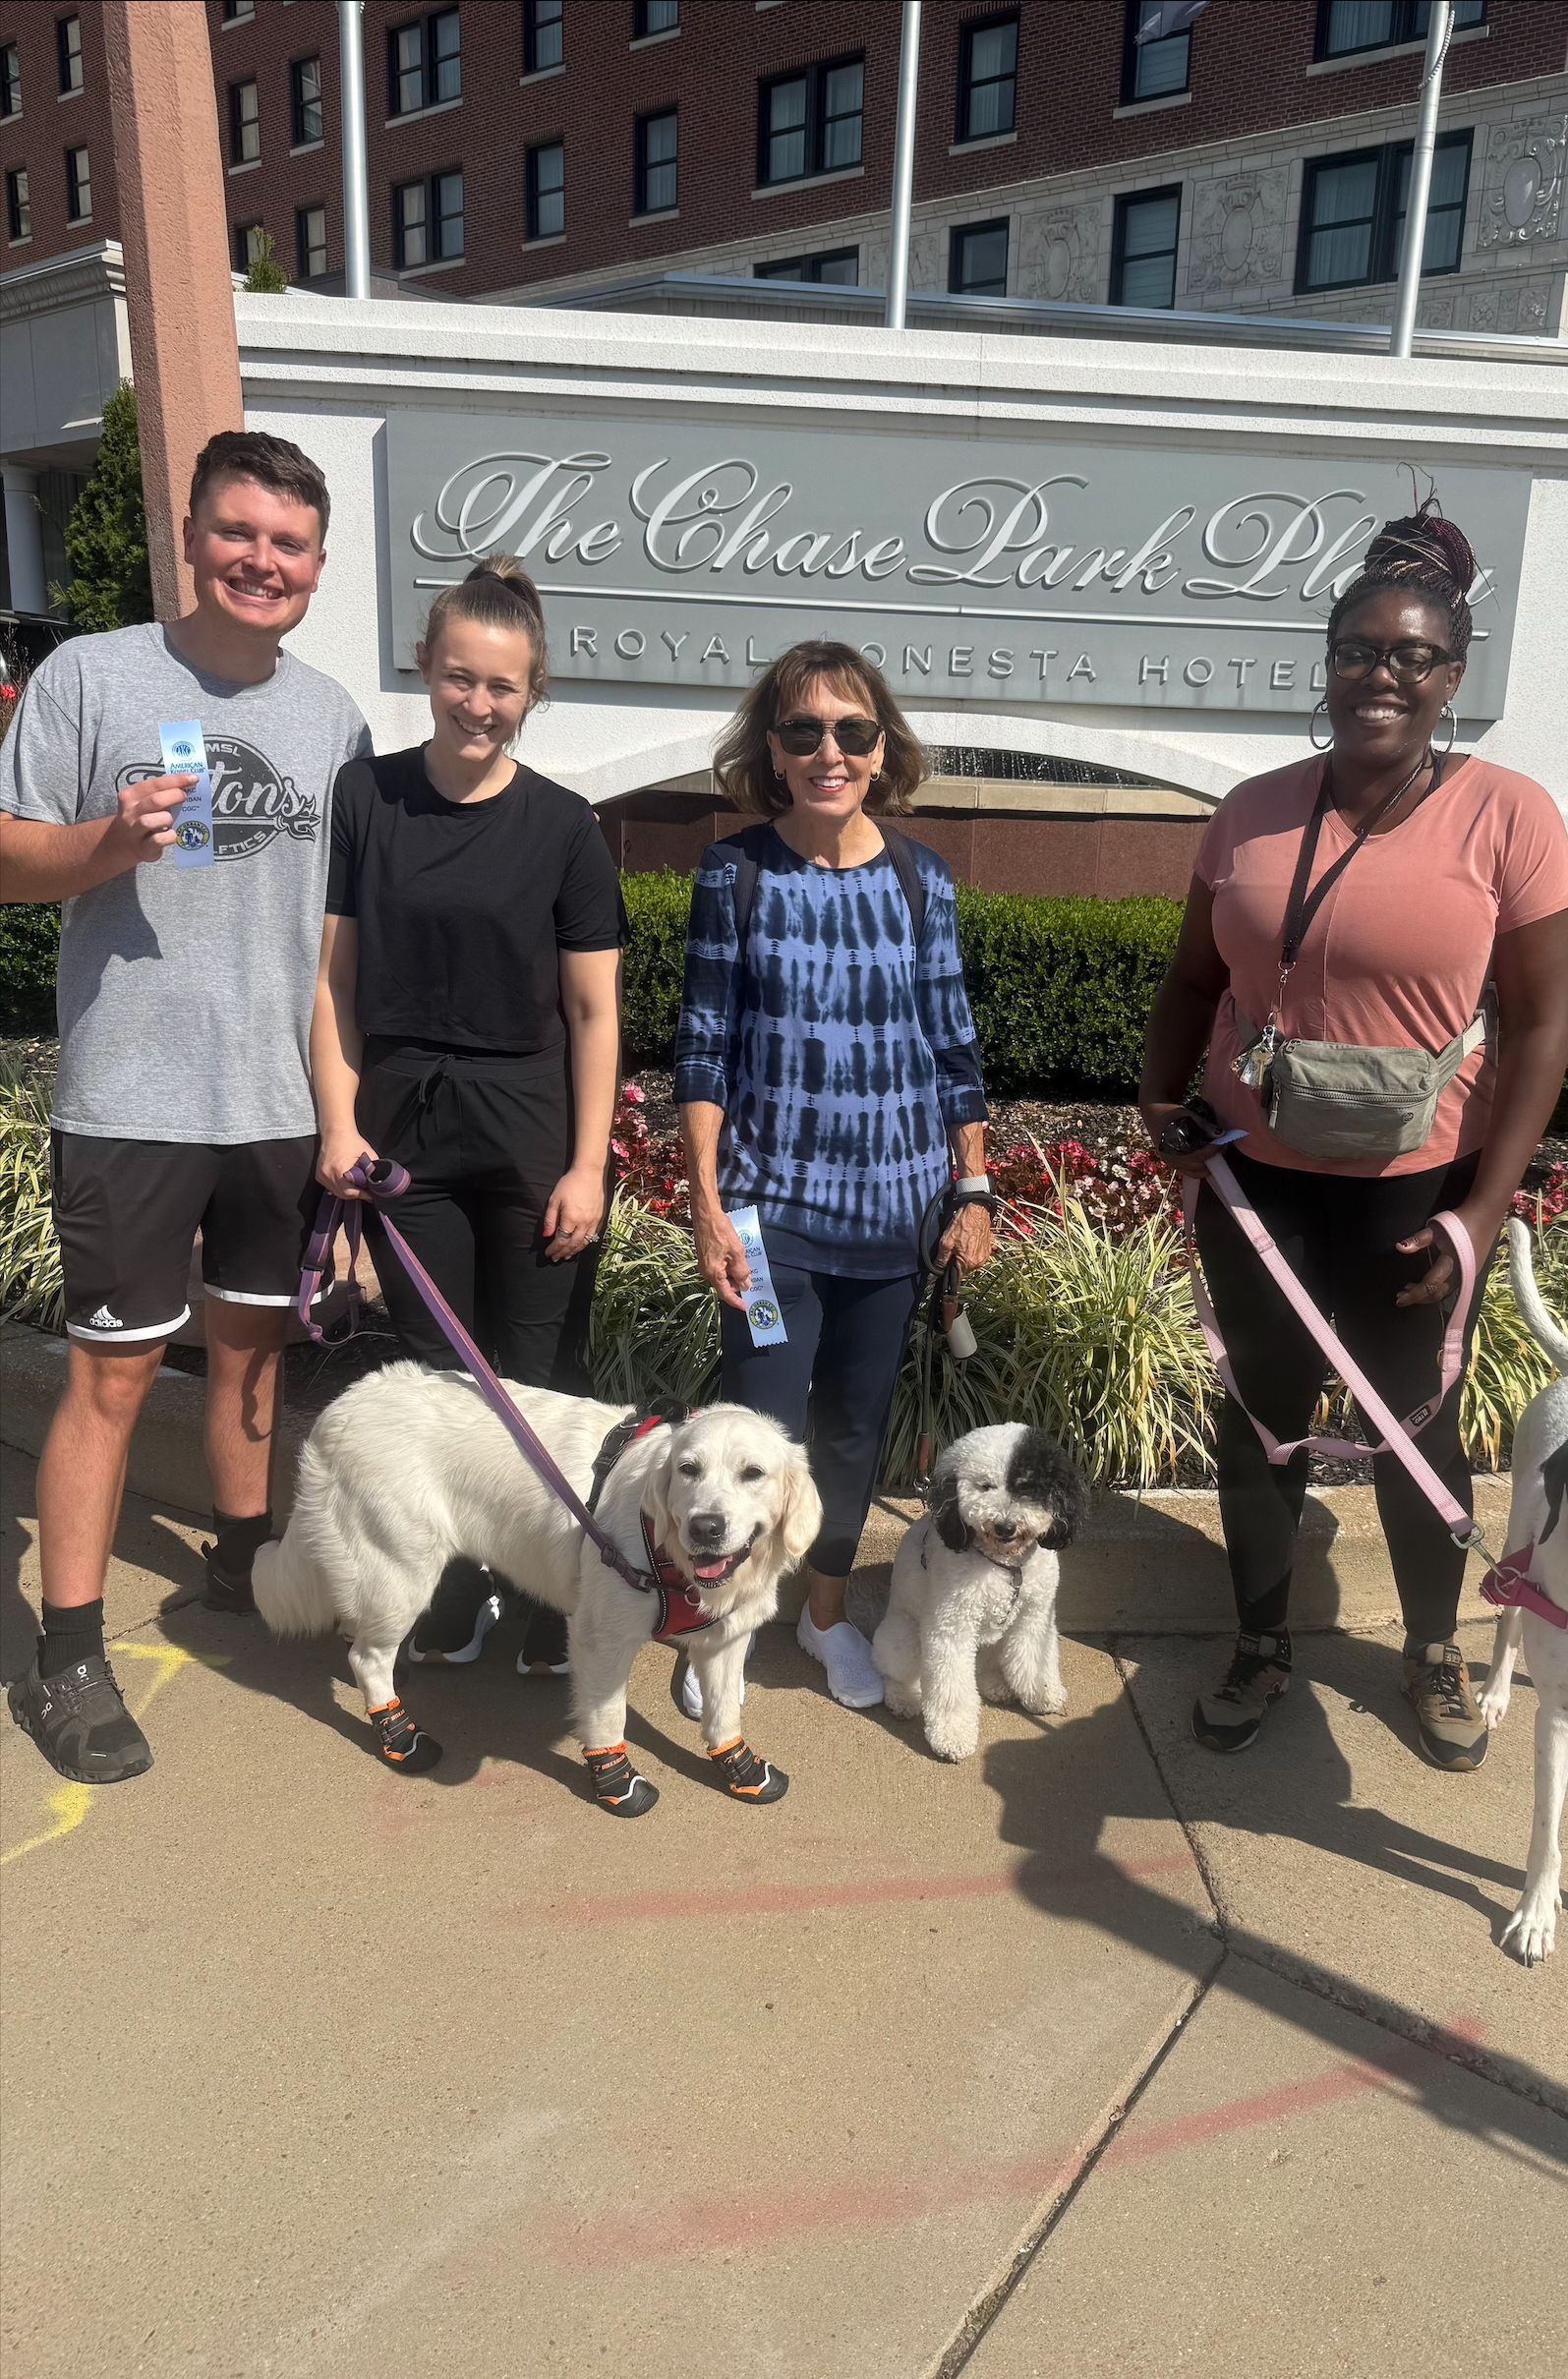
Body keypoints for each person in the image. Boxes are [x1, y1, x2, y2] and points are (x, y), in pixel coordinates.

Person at [1139, 500, 1568, 1772]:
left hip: (1412, 1189)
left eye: (1409, 657)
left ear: (1449, 680)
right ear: (1323, 662)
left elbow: (1540, 1029)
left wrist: (1477, 1213)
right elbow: (1186, 983)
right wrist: (1159, 1099)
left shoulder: (1506, 815)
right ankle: (1260, 1642)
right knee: (1257, 1416)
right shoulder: (1250, 811)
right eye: (1355, 650)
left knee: (1409, 1423)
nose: (1378, 675)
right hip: (1252, 1182)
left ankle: (1429, 1651)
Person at [0, 430, 371, 1783]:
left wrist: (344, 1104)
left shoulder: (332, 718)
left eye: (286, 543)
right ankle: (73, 1653)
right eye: (238, 533)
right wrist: (110, 842)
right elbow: (7, 858)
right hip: (135, 1095)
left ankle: (239, 1560)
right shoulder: (92, 676)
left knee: (256, 1355)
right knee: (109, 1377)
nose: (259, 560)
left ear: (317, 568)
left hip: (279, 1101)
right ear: (192, 535)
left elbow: (339, 931)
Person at [310, 557, 625, 1674]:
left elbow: (593, 1012)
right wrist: (337, 1126)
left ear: (532, 692)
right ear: (426, 670)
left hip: (531, 1128)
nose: (477, 704)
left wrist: (589, 1164)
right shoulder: (368, 798)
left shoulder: (566, 827)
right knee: (438, 1378)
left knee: (541, 1376)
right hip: (406, 1132)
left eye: (502, 686)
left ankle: (552, 1595)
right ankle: (447, 1587)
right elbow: (335, 982)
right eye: (459, 678)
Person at [675, 640, 994, 1711]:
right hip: (771, 1226)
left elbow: (954, 1048)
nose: (829, 751)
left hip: (893, 1221)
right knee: (751, 1435)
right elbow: (705, 1045)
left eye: (852, 731)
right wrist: (710, 1206)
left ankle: (820, 1619)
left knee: (853, 1431)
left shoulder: (920, 878)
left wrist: (974, 1188)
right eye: (803, 730)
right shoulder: (736, 871)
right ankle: (718, 1630)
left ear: (880, 746)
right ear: (771, 748)